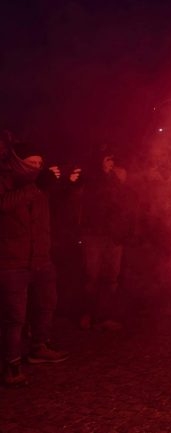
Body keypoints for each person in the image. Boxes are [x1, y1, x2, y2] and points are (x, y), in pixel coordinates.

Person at [0, 141, 76, 386]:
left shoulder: (40, 186)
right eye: (31, 163)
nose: (36, 167)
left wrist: (70, 185)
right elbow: (4, 204)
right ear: (19, 162)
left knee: (46, 305)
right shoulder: (6, 180)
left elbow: (60, 206)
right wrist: (38, 185)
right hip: (12, 261)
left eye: (40, 164)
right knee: (14, 317)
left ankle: (38, 347)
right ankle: (11, 365)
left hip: (41, 259)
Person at [78, 147, 132, 331]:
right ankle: (89, 314)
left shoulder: (117, 178)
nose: (109, 164)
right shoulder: (91, 178)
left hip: (114, 235)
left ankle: (106, 316)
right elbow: (92, 198)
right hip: (93, 234)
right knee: (91, 276)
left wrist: (123, 231)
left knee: (111, 278)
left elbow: (123, 202)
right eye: (106, 160)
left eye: (111, 160)